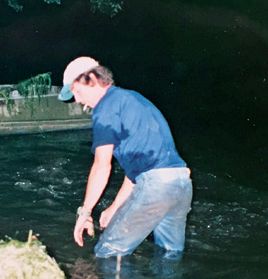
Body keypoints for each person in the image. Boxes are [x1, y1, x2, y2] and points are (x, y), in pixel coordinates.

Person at [59, 56, 193, 258]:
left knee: (108, 252)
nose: (77, 100)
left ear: (92, 79)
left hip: (156, 186)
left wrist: (85, 212)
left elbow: (102, 166)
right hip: (181, 183)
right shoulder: (133, 99)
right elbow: (137, 171)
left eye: (76, 91)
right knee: (169, 255)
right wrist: (114, 207)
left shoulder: (105, 108)